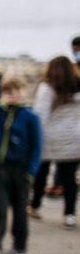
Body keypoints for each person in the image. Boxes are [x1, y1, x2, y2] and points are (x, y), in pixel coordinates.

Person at [0, 75, 42, 254]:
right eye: (8, 91)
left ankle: (20, 245)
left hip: (20, 169)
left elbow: (37, 146)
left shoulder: (30, 116)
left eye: (17, 91)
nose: (13, 95)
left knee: (19, 210)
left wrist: (30, 172)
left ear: (24, 92)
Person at [29, 56, 80, 228]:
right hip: (74, 138)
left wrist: (34, 137)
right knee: (69, 179)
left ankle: (35, 206)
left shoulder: (48, 88)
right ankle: (69, 215)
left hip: (50, 137)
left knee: (41, 174)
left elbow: (41, 116)